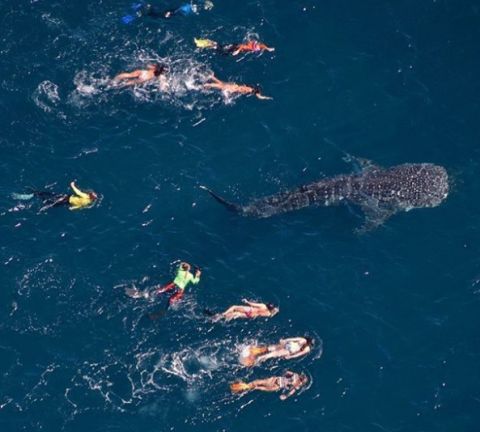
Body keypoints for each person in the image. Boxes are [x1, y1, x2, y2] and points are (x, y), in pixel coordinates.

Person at [126, 262, 201, 307]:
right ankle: (170, 305)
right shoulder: (191, 276)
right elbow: (195, 282)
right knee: (172, 300)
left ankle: (146, 295)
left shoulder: (179, 271)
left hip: (173, 285)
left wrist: (183, 265)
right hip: (180, 289)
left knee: (159, 291)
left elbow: (180, 267)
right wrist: (197, 275)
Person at [13, 182, 98, 212]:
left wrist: (72, 185)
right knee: (52, 204)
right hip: (67, 203)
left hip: (66, 198)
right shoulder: (88, 202)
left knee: (49, 195)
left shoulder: (85, 196)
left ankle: (35, 194)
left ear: (89, 195)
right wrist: (73, 208)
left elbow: (77, 191)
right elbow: (80, 206)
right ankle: (41, 201)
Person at [230, 370, 308, 400]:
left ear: (301, 377)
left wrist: (285, 375)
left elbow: (286, 372)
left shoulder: (295, 376)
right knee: (258, 386)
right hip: (276, 385)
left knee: (257, 383)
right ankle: (241, 389)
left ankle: (241, 386)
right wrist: (285, 396)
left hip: (276, 381)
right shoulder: (297, 385)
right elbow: (291, 391)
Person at [239, 337, 314, 367]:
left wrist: (284, 340)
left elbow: (293, 339)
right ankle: (251, 360)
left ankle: (252, 354)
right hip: (288, 349)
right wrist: (290, 356)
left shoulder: (303, 340)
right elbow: (298, 354)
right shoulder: (307, 348)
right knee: (269, 353)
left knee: (269, 350)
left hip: (287, 346)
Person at [203, 75, 272, 100]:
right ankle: (207, 85)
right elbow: (259, 96)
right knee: (221, 86)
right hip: (232, 88)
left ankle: (212, 77)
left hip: (234, 86)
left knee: (221, 84)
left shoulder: (249, 88)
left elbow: (259, 96)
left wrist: (266, 97)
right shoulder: (248, 90)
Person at [207, 299, 279, 322]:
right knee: (236, 314)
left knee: (234, 307)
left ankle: (222, 314)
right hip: (250, 315)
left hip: (249, 309)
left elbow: (253, 304)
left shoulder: (263, 306)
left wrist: (246, 301)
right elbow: (274, 313)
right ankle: (218, 318)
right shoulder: (269, 314)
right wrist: (275, 310)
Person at [194, 38, 275, 56]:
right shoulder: (250, 48)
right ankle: (207, 43)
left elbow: (262, 45)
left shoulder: (256, 45)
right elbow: (242, 46)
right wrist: (238, 51)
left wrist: (268, 48)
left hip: (235, 46)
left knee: (221, 50)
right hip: (235, 47)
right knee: (220, 49)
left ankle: (209, 43)